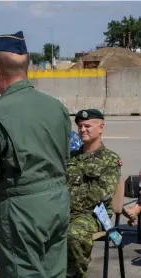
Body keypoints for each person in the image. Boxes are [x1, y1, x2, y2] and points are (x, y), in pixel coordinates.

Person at [0, 31, 71, 277]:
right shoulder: (56, 107)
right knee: (55, 271)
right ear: (28, 66)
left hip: (22, 210)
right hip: (58, 202)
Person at [67, 109, 122, 278]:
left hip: (93, 215)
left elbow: (100, 194)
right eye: (80, 126)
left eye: (87, 126)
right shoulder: (70, 157)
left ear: (101, 127)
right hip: (65, 212)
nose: (82, 129)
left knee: (73, 235)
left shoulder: (110, 159)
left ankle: (76, 274)